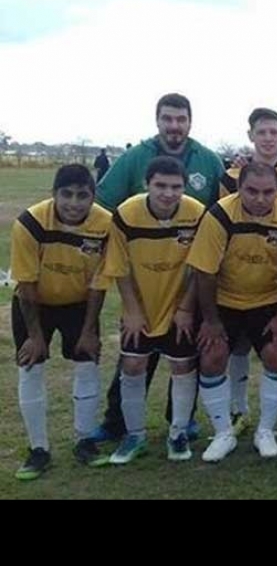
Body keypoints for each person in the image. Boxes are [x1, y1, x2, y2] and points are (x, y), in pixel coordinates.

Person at [92, 93, 225, 443]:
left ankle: (181, 422)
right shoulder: (136, 157)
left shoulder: (208, 160)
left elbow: (224, 208)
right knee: (135, 352)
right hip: (143, 273)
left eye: (181, 119)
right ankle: (117, 421)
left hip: (188, 275)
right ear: (157, 120)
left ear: (190, 122)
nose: (174, 126)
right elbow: (104, 204)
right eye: (168, 119)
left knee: (185, 351)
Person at [186, 162, 277, 462]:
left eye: (268, 192)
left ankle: (266, 431)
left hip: (268, 301)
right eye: (252, 191)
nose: (260, 198)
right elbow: (204, 272)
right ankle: (224, 432)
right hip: (225, 300)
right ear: (239, 188)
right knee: (212, 356)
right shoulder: (219, 215)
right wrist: (211, 322)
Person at [100, 156, 204, 464]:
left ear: (185, 188)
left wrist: (186, 307)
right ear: (147, 185)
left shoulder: (196, 214)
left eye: (176, 187)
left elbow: (201, 267)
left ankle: (178, 432)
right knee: (132, 365)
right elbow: (120, 267)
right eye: (160, 185)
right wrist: (131, 310)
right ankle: (135, 435)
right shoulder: (127, 214)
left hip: (179, 306)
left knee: (182, 367)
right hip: (142, 306)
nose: (168, 193)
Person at [10, 164, 111, 480]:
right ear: (54, 194)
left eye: (83, 196)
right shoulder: (30, 221)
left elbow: (99, 282)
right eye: (66, 194)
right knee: (31, 363)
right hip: (34, 304)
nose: (74, 203)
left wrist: (89, 330)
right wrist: (34, 335)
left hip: (79, 304)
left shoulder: (105, 224)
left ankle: (84, 440)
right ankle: (38, 449)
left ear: (93, 197)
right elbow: (25, 284)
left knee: (87, 361)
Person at [220, 107, 277, 435]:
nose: (268, 138)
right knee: (240, 346)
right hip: (238, 276)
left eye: (274, 132)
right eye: (262, 132)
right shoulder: (233, 174)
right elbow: (225, 223)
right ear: (251, 136)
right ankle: (238, 409)